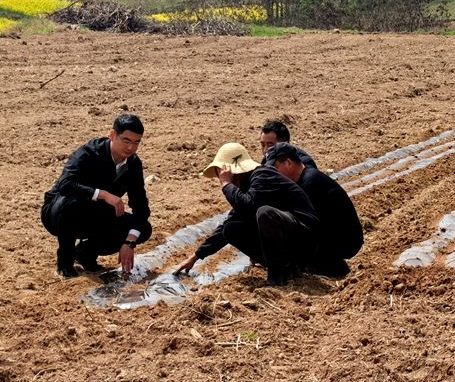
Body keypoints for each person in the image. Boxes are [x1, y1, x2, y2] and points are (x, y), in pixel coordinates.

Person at [175, 143, 319, 286]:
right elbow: (229, 223)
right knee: (230, 228)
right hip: (292, 238)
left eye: (221, 173)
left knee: (265, 213)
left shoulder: (262, 175)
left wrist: (226, 185)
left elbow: (248, 206)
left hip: (305, 239)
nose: (220, 178)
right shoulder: (247, 185)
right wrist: (195, 257)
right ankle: (286, 267)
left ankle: (278, 275)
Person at [41, 114, 152, 278]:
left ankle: (85, 253)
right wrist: (103, 194)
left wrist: (130, 241)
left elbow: (141, 206)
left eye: (136, 142)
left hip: (98, 214)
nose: (131, 147)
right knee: (71, 204)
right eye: (126, 140)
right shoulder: (89, 152)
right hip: (59, 213)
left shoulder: (133, 163)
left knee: (143, 229)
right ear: (112, 135)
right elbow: (65, 184)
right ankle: (65, 262)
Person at [267, 143, 363, 278]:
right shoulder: (306, 178)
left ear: (288, 163)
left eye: (275, 168)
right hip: (339, 236)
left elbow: (306, 224)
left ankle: (331, 266)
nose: (274, 173)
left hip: (345, 240)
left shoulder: (310, 183)